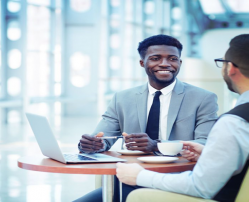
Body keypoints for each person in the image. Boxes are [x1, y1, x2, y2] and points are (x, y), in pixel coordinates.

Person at [116, 34, 249, 202]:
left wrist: (140, 175)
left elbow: (200, 187)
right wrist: (210, 153)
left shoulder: (235, 123)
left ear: (230, 68)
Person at [75, 34, 218, 201]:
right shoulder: (122, 98)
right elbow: (103, 137)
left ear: (179, 62)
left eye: (172, 58)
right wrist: (92, 144)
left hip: (177, 180)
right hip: (129, 179)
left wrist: (157, 145)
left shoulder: (203, 98)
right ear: (142, 63)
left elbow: (204, 143)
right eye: (156, 58)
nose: (165, 64)